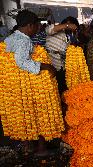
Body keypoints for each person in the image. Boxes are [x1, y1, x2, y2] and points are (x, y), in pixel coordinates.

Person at [4, 10, 56, 156]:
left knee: (24, 114)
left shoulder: (10, 38)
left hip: (16, 85)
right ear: (29, 26)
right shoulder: (25, 40)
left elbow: (10, 60)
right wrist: (46, 66)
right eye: (37, 26)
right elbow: (21, 62)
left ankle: (28, 146)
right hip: (30, 85)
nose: (39, 28)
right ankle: (41, 149)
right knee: (38, 113)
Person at [45, 16, 78, 94]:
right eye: (72, 27)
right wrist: (67, 25)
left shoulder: (68, 35)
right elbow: (48, 30)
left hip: (62, 64)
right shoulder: (56, 29)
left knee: (63, 86)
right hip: (52, 62)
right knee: (55, 88)